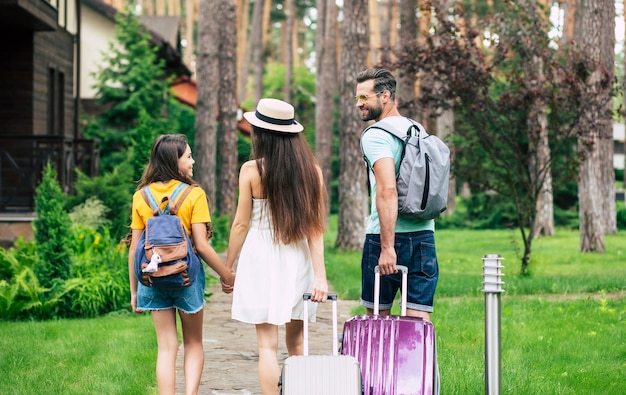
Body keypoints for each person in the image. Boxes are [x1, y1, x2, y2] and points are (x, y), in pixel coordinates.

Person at [225, 98, 329, 395]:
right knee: (297, 344)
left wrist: (228, 267)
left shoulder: (250, 171)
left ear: (262, 134)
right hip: (298, 260)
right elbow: (315, 229)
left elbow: (240, 225)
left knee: (266, 345)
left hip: (260, 259)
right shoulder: (313, 172)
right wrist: (319, 276)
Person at [127, 134, 235, 395]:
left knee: (166, 347)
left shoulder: (141, 196)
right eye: (188, 156)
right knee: (194, 343)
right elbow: (201, 246)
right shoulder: (194, 194)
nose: (193, 160)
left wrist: (134, 291)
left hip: (152, 279)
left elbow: (134, 249)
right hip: (187, 278)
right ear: (173, 161)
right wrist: (228, 275)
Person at [355, 68, 439, 321]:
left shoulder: (376, 135)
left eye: (364, 97)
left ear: (385, 96)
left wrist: (387, 247)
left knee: (376, 323)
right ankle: (419, 363)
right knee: (418, 323)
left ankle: (380, 363)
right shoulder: (417, 129)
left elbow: (387, 189)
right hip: (424, 235)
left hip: (385, 237)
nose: (359, 104)